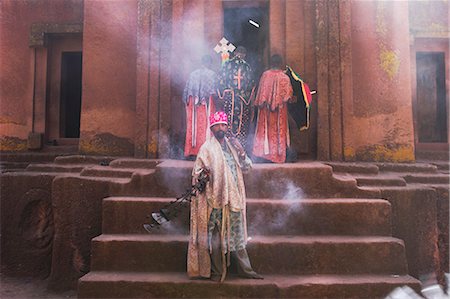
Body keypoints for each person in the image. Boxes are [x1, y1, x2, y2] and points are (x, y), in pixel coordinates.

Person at [187, 111, 263, 282]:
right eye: (217, 125)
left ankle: (246, 270)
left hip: (234, 199)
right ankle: (216, 272)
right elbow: (197, 173)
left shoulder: (232, 147)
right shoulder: (206, 148)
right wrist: (203, 175)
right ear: (212, 128)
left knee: (238, 235)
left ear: (227, 127)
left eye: (224, 125)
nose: (221, 128)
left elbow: (247, 168)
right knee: (216, 238)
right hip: (215, 200)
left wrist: (242, 152)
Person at [252, 54, 294, 163]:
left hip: (265, 111)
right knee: (279, 132)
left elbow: (261, 95)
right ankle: (278, 155)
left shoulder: (265, 75)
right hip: (280, 111)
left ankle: (263, 155)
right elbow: (288, 96)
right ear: (280, 63)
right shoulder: (284, 77)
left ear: (271, 63)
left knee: (265, 130)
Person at [217, 46, 255, 151]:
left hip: (229, 98)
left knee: (227, 122)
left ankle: (227, 148)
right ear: (244, 54)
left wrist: (223, 93)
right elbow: (251, 83)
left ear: (234, 53)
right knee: (242, 124)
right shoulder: (247, 66)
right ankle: (240, 149)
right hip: (242, 100)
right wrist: (246, 96)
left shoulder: (227, 65)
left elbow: (220, 80)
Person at [182, 55, 217, 157]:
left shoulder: (193, 74)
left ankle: (192, 150)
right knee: (206, 126)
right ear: (209, 63)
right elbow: (213, 92)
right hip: (206, 104)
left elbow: (187, 93)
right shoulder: (212, 74)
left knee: (194, 127)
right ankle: (206, 151)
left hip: (193, 105)